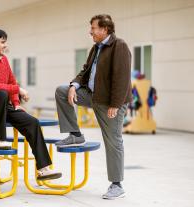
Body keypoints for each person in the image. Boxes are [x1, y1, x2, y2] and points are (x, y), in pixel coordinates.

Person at [55, 14, 131, 199]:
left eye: (93, 28)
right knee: (62, 91)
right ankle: (75, 135)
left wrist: (116, 103)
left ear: (105, 29)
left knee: (113, 141)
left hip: (110, 101)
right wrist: (74, 85)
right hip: (92, 95)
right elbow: (85, 70)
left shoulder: (119, 46)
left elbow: (122, 77)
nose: (90, 31)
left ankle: (116, 185)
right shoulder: (96, 48)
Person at [0, 28, 62, 181]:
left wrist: (16, 103)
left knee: (32, 122)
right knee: (0, 93)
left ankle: (43, 169)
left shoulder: (4, 60)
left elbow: (11, 82)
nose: (6, 45)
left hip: (2, 106)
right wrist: (18, 89)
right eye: (3, 42)